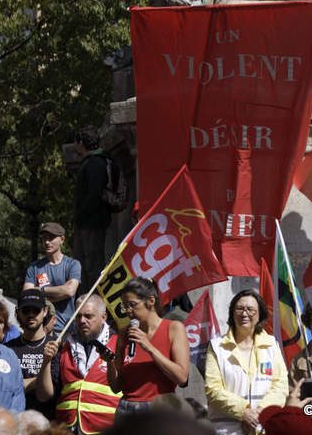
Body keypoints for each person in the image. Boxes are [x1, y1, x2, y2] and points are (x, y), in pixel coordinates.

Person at [205, 289, 288, 435]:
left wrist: (259, 415)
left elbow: (280, 386)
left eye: (250, 310)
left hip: (264, 427)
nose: (244, 314)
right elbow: (213, 389)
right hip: (227, 430)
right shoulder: (217, 347)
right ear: (232, 312)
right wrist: (243, 412)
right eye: (240, 308)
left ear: (260, 315)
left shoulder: (271, 345)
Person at [36, 293, 120, 434]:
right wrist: (46, 362)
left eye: (88, 316)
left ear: (103, 317)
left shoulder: (119, 344)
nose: (82, 321)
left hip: (106, 428)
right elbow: (44, 396)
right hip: (66, 428)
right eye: (78, 316)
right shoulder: (62, 346)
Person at [107, 278, 189, 419]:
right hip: (127, 411)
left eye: (132, 305)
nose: (128, 311)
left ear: (151, 301)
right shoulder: (125, 333)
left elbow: (181, 377)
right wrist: (110, 362)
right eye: (125, 306)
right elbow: (116, 387)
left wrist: (149, 347)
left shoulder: (174, 328)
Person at [4, 289, 56, 418]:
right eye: (26, 310)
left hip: (48, 422)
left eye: (36, 310)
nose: (31, 314)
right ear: (17, 312)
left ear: (44, 311)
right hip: (16, 421)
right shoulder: (7, 349)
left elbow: (49, 391)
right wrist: (40, 381)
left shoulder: (56, 346)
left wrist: (23, 383)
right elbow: (6, 388)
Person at [22, 223, 81, 334]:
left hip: (67, 330)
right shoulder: (34, 267)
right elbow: (27, 294)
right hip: (41, 331)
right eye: (44, 238)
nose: (47, 242)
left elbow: (70, 291)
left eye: (51, 238)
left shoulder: (73, 264)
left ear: (62, 239)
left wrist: (41, 291)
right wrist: (59, 293)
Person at [73, 127, 111, 289]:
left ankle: (94, 301)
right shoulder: (94, 161)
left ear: (81, 143)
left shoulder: (94, 163)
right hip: (89, 220)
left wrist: (82, 213)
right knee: (85, 265)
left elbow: (94, 193)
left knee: (92, 266)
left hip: (91, 222)